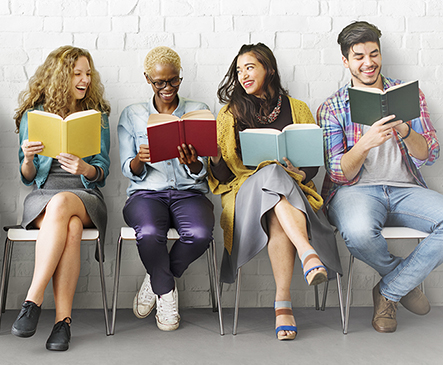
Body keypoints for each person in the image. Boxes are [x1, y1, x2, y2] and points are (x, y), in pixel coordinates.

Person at [209, 43, 342, 341]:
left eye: (250, 67)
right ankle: (308, 254)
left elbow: (312, 165)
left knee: (277, 204)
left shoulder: (298, 109)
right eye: (239, 70)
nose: (243, 75)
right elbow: (223, 175)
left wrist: (299, 173)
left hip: (288, 196)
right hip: (245, 196)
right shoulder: (229, 114)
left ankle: (283, 303)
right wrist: (215, 156)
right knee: (270, 173)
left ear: (268, 68)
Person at [318, 21, 443, 333]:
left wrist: (404, 129)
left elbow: (430, 154)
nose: (368, 62)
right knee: (358, 234)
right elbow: (337, 171)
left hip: (405, 189)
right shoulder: (332, 107)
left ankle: (389, 291)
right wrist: (365, 143)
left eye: (374, 54)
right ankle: (404, 282)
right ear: (346, 61)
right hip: (355, 191)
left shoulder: (409, 95)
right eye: (359, 56)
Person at [12, 46, 111, 350]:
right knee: (70, 227)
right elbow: (27, 176)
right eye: (77, 74)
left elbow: (102, 172)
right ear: (60, 76)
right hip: (43, 195)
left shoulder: (97, 115)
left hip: (84, 196)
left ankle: (33, 299)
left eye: (87, 73)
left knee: (64, 204)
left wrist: (86, 168)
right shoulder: (34, 114)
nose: (85, 80)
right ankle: (62, 324)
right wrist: (28, 159)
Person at [118, 46, 214, 332]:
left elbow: (204, 169)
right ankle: (167, 292)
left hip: (189, 192)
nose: (167, 88)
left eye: (174, 80)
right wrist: (139, 159)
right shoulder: (132, 114)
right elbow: (127, 168)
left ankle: (157, 280)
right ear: (148, 79)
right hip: (146, 193)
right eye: (160, 82)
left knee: (199, 234)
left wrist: (193, 163)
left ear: (180, 77)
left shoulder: (199, 111)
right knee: (148, 233)